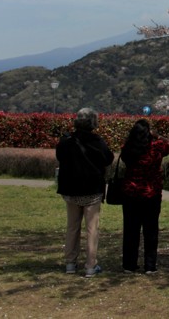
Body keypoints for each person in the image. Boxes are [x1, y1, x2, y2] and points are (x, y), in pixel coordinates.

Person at [56, 108, 114, 278]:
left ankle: (70, 263)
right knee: (92, 229)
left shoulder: (67, 141)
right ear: (93, 123)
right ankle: (90, 265)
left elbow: (60, 156)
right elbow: (108, 158)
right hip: (92, 190)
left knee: (72, 227)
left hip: (71, 190)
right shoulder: (97, 141)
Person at [119, 118, 169, 274]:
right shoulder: (157, 147)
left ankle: (129, 264)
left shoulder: (128, 148)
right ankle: (150, 265)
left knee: (130, 230)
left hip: (130, 193)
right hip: (151, 193)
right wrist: (157, 136)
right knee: (151, 230)